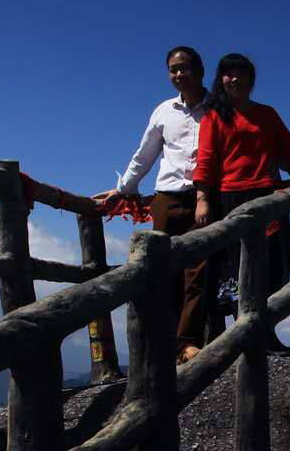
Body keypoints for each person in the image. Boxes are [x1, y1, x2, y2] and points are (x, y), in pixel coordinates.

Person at [92, 46, 216, 360]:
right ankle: (170, 341)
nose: (178, 75)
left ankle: (186, 342)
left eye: (184, 68)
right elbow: (145, 153)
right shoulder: (163, 111)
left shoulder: (218, 108)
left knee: (199, 270)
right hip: (167, 199)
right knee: (166, 272)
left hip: (207, 198)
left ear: (200, 70)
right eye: (173, 69)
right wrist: (123, 189)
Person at [191, 53, 290, 348]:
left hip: (268, 196)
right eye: (228, 73)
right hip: (230, 198)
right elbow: (206, 159)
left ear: (251, 80)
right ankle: (243, 334)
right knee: (234, 268)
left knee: (273, 266)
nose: (234, 79)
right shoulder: (214, 115)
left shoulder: (267, 114)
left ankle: (263, 328)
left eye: (241, 74)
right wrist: (203, 199)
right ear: (220, 78)